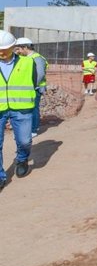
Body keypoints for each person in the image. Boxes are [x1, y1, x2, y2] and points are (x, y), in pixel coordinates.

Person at [0, 30, 38, 189]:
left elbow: (35, 82)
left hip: (21, 108)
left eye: (5, 49)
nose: (1, 52)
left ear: (13, 47)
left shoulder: (28, 63)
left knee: (24, 140)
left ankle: (22, 158)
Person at [15, 37, 47, 138]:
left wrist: (31, 85)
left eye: (19, 49)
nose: (18, 51)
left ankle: (34, 129)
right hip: (27, 88)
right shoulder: (26, 58)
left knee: (33, 109)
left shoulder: (37, 58)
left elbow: (40, 74)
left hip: (35, 88)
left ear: (25, 47)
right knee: (27, 108)